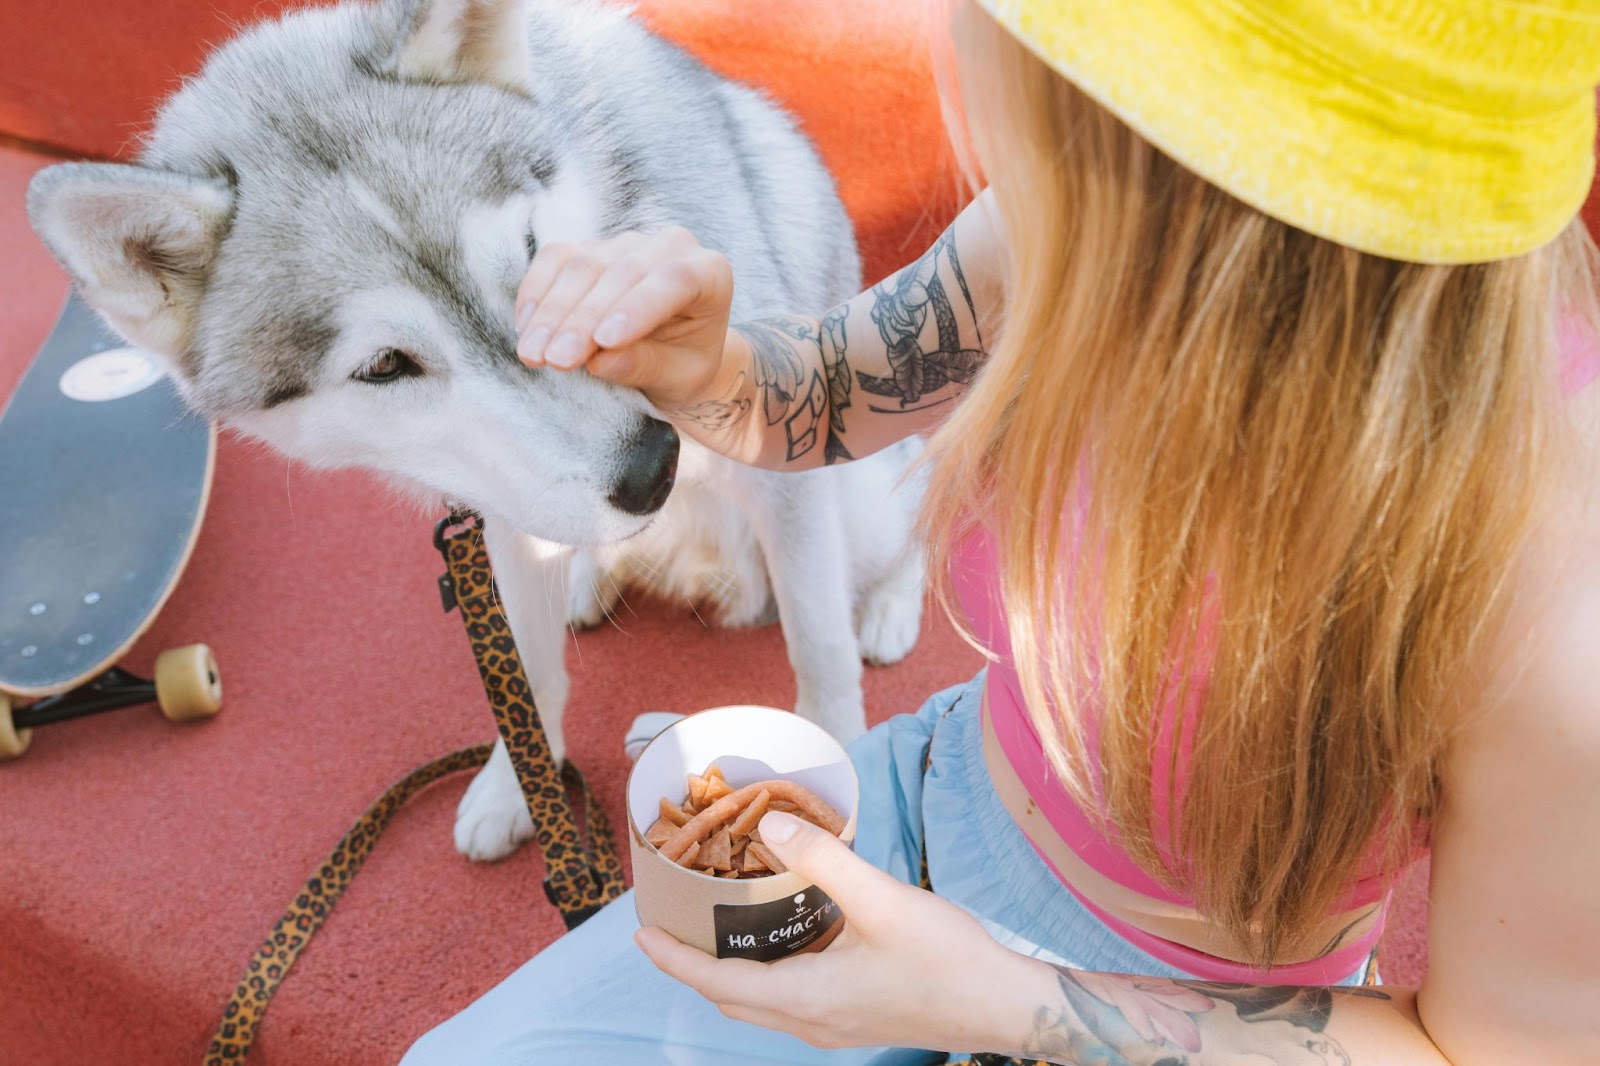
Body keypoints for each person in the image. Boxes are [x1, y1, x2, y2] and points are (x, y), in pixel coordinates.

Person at [403, 1, 1600, 1062]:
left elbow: (1492, 1053)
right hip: (937, 807)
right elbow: (823, 394)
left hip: (1210, 1021)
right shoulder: (1085, 222)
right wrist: (702, 364)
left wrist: (993, 999)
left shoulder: (1553, 583)